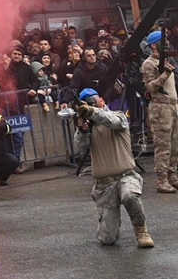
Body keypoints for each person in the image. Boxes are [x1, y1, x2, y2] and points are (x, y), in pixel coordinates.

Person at [72, 89, 154, 248]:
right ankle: (108, 224)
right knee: (107, 239)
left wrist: (93, 111)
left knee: (130, 196)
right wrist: (81, 130)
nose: (90, 106)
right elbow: (81, 149)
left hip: (126, 177)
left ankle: (141, 230)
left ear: (102, 101)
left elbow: (110, 120)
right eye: (87, 104)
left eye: (93, 102)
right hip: (104, 185)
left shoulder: (119, 116)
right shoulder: (89, 128)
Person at [140, 32, 178, 193]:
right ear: (154, 45)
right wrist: (164, 75)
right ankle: (162, 180)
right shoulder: (149, 64)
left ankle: (172, 176)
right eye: (163, 41)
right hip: (160, 107)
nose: (166, 43)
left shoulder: (166, 60)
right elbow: (150, 87)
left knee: (175, 143)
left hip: (172, 105)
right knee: (163, 144)